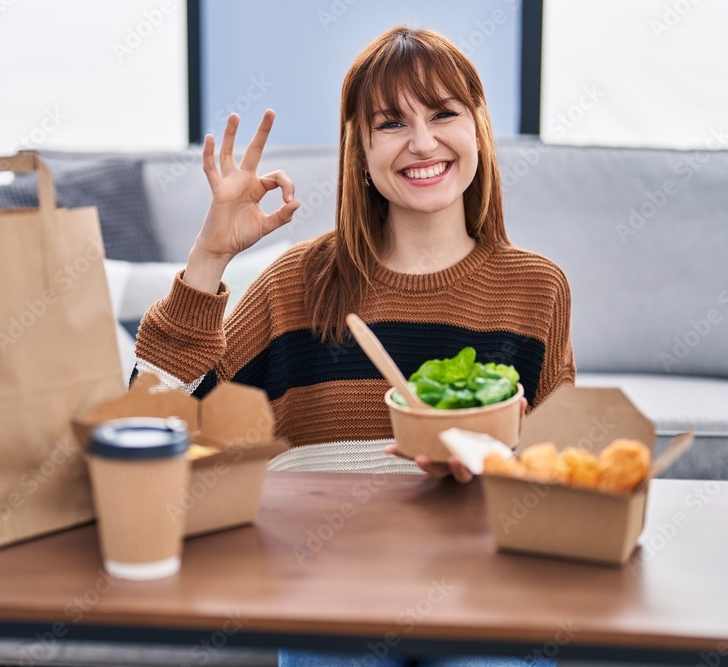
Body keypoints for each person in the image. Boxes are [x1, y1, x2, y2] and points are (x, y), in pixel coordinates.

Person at [133, 26, 572, 666]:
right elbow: (150, 421)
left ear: (477, 127)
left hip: (485, 595)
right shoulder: (295, 285)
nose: (423, 142)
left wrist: (504, 468)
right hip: (328, 597)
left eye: (444, 113)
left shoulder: (536, 289)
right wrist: (211, 256)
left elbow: (566, 492)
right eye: (391, 123)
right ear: (358, 151)